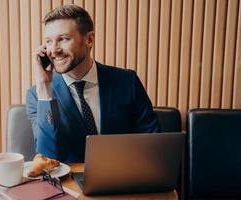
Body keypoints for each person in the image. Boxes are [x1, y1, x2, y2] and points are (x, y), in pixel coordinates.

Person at [26, 4, 160, 163]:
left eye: (63, 39)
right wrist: (44, 88)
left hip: (122, 180)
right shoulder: (38, 95)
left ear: (89, 39)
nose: (53, 50)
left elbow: (152, 143)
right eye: (49, 41)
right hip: (68, 185)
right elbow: (47, 158)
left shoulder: (127, 81)